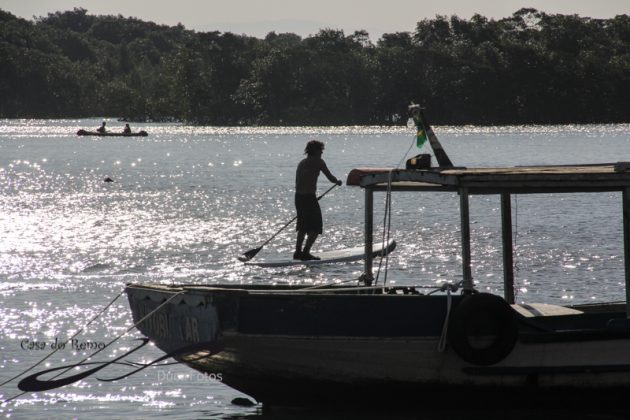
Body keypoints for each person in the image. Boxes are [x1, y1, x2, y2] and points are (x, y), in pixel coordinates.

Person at [294, 140, 342, 260]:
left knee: (303, 226)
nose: (322, 152)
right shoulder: (319, 162)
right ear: (315, 150)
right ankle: (306, 252)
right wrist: (338, 181)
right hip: (309, 198)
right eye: (320, 150)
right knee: (316, 227)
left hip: (298, 197)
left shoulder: (302, 162)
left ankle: (297, 252)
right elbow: (330, 177)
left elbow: (298, 182)